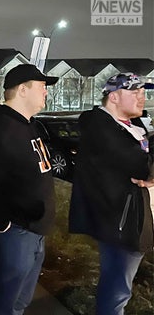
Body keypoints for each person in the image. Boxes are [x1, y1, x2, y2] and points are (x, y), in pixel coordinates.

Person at [0, 64, 59, 315]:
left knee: (17, 303)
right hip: (13, 235)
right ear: (22, 90)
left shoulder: (28, 124)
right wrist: (2, 224)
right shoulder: (1, 127)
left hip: (34, 233)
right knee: (0, 305)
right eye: (41, 87)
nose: (45, 92)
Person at [69, 72, 154, 315]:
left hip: (133, 216)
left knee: (119, 287)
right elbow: (140, 165)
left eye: (143, 91)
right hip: (121, 221)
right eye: (135, 91)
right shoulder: (100, 127)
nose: (142, 97)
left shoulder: (132, 126)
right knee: (117, 290)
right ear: (114, 97)